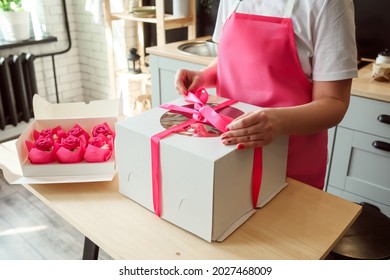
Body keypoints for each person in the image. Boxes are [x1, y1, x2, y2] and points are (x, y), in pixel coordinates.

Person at [174, 0, 358, 190]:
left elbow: (334, 102)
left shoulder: (330, 3)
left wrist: (277, 121)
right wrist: (203, 76)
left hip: (290, 163)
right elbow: (230, 59)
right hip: (229, 152)